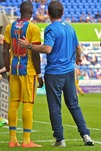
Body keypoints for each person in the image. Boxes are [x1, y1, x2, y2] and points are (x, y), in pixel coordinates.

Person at [18, 1, 94, 147]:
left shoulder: (50, 29)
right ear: (63, 12)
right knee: (74, 105)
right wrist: (78, 57)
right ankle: (86, 135)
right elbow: (78, 48)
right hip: (69, 71)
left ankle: (60, 139)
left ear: (48, 13)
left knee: (55, 107)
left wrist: (28, 45)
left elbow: (47, 49)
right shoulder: (71, 28)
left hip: (54, 73)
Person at [3, 1, 43, 148]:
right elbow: (36, 54)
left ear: (20, 11)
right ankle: (26, 140)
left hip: (14, 70)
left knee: (13, 104)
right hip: (28, 71)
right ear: (31, 12)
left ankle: (12, 139)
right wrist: (39, 75)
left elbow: (5, 51)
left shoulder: (9, 27)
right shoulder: (33, 28)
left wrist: (7, 69)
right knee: (27, 104)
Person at [0, 34, 8, 127]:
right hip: (3, 77)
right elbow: (7, 66)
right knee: (4, 97)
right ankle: (3, 119)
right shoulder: (4, 51)